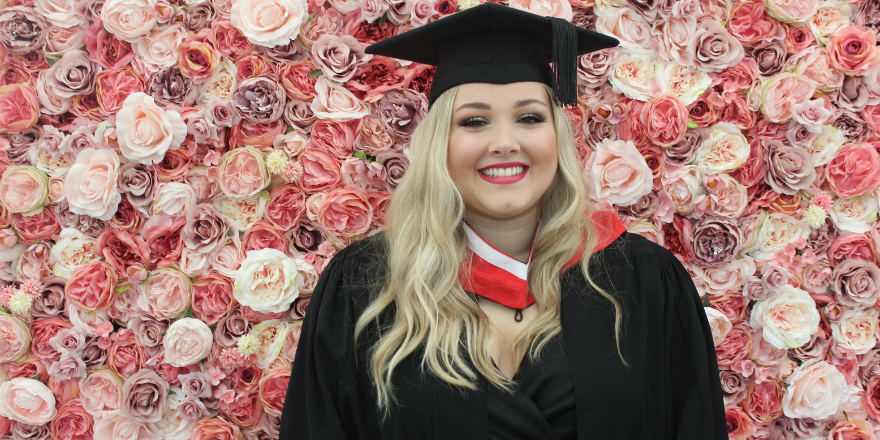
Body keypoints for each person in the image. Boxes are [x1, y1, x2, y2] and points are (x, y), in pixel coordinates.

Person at [278, 4, 728, 439]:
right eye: (474, 122)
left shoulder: (643, 281)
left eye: (529, 117)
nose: (504, 142)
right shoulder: (365, 286)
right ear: (440, 143)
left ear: (556, 134)